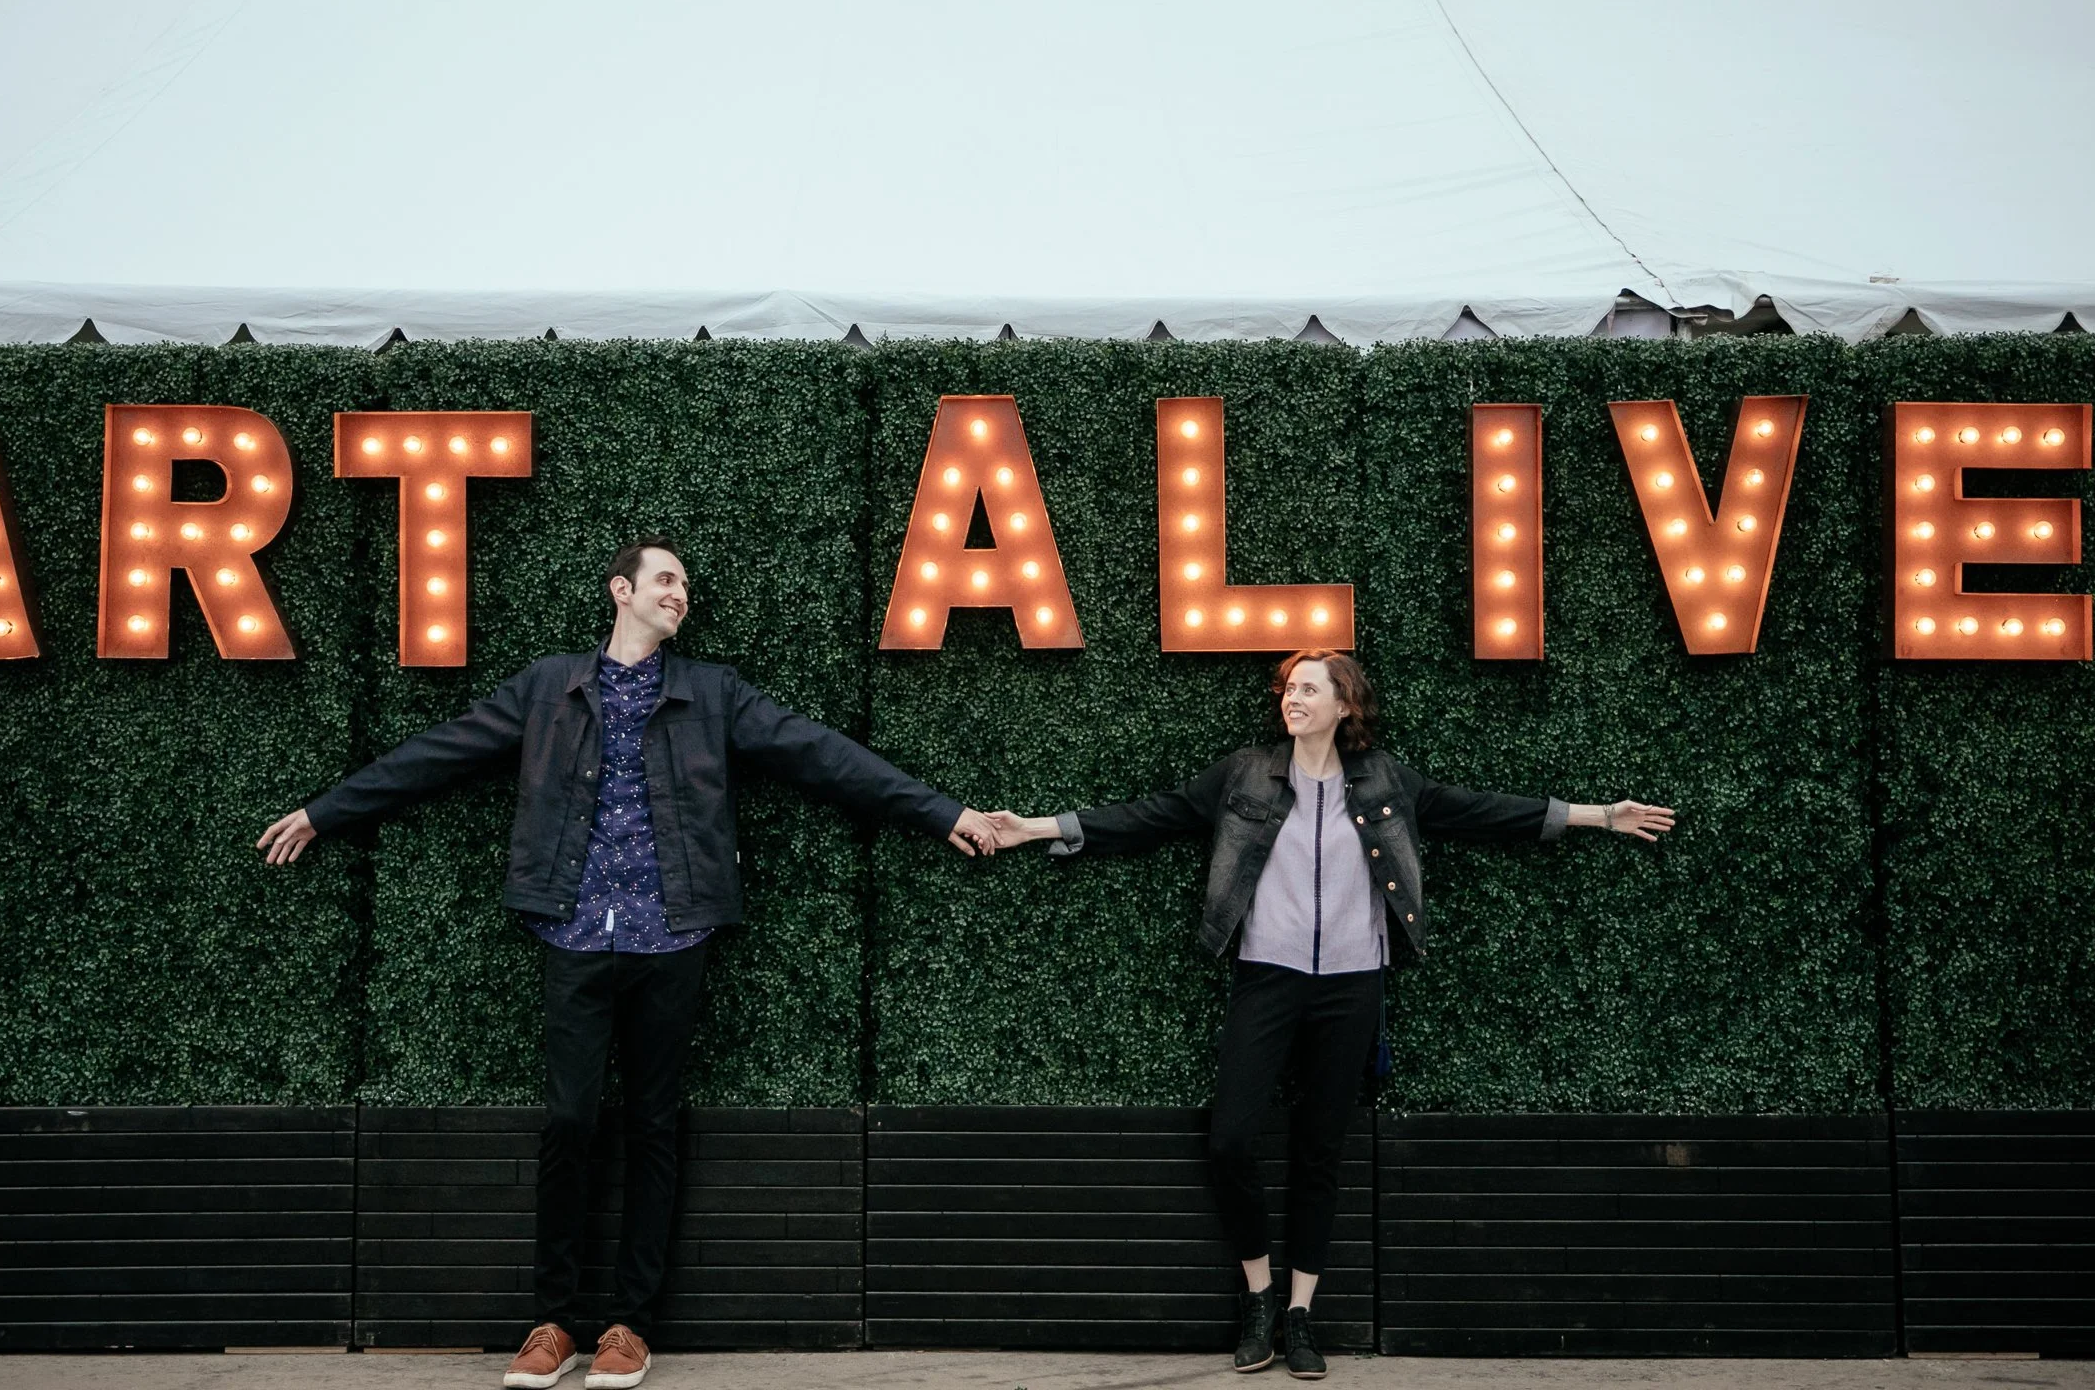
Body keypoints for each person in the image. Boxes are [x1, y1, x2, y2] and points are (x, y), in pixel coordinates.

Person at [258, 538, 998, 1390]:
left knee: (653, 1127)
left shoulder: (712, 693)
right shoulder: (548, 688)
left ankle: (629, 1326)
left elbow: (822, 754)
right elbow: (437, 753)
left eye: (686, 583)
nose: (681, 593)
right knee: (570, 1121)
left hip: (673, 938)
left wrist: (939, 811)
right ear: (623, 590)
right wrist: (324, 812)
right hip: (574, 934)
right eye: (667, 579)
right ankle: (554, 1321)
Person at [986, 650, 1671, 1380]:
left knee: (1320, 1152)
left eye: (1310, 689)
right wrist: (1033, 827)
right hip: (1267, 977)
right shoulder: (1245, 772)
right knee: (1231, 1141)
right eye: (1289, 689)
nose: (1294, 698)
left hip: (1353, 984)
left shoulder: (1386, 780)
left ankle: (1301, 1315)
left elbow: (1482, 810)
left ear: (1346, 705)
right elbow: (1148, 815)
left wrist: (1601, 816)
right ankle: (1258, 1299)